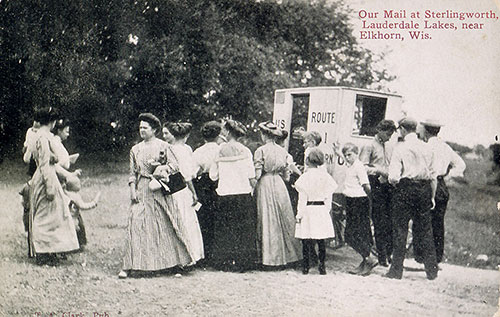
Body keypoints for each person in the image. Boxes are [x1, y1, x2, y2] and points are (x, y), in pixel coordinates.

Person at [119, 113, 197, 278]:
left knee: (165, 223)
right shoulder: (136, 149)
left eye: (145, 128)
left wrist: (162, 169)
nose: (142, 130)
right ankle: (130, 265)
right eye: (140, 127)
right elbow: (132, 173)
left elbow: (175, 165)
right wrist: (132, 190)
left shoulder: (164, 146)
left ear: (154, 130)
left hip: (160, 188)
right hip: (142, 188)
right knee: (136, 224)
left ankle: (175, 263)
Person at [385, 117, 438, 280]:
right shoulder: (428, 148)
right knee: (426, 230)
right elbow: (433, 175)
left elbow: (393, 176)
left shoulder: (400, 148)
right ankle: (432, 271)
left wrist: (396, 184)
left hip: (405, 188)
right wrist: (432, 197)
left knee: (400, 229)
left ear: (402, 129)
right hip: (424, 189)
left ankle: (396, 271)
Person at [28, 107, 80, 265]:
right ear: (51, 122)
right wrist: (49, 186)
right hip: (46, 178)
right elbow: (44, 164)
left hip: (46, 175)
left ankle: (50, 249)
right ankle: (43, 253)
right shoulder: (43, 138)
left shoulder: (39, 136)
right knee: (46, 215)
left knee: (53, 214)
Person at [413, 119, 466, 265]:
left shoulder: (424, 147)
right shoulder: (446, 148)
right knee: (437, 223)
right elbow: (461, 165)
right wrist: (447, 177)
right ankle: (435, 259)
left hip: (426, 184)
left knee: (421, 221)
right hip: (441, 185)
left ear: (425, 131)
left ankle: (421, 257)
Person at [209, 119, 258, 272]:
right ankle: (243, 262)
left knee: (225, 229)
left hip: (225, 194)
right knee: (242, 230)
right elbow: (251, 176)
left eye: (224, 130)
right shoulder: (246, 151)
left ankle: (224, 262)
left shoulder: (219, 150)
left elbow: (213, 176)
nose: (222, 132)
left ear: (229, 132)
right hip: (243, 194)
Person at [254, 122, 302, 267]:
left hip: (265, 182)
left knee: (267, 218)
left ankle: (269, 258)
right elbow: (287, 177)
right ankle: (291, 256)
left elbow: (257, 174)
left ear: (264, 135)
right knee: (284, 217)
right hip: (279, 184)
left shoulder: (260, 151)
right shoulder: (283, 152)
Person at [359, 119, 397, 267]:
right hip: (375, 185)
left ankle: (388, 253)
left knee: (389, 222)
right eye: (388, 134)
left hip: (388, 185)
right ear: (380, 130)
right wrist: (378, 171)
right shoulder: (369, 145)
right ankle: (381, 256)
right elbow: (362, 167)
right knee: (379, 221)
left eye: (391, 134)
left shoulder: (389, 146)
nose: (389, 137)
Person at [294, 148, 336, 275]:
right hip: (321, 209)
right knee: (321, 240)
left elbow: (302, 198)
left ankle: (306, 266)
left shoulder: (305, 178)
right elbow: (329, 196)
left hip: (308, 209)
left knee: (306, 239)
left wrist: (299, 214)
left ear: (307, 161)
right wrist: (326, 209)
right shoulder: (326, 177)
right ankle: (322, 266)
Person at [167, 122, 204, 264]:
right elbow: (188, 175)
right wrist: (194, 193)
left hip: (172, 187)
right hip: (183, 187)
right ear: (186, 136)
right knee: (186, 219)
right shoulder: (186, 149)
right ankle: (190, 256)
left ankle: (178, 257)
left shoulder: (169, 148)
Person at [340, 143, 377, 276]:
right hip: (351, 200)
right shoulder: (351, 165)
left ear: (356, 154)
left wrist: (369, 201)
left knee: (353, 234)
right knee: (352, 233)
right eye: (345, 155)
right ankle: (365, 260)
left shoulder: (359, 166)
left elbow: (366, 185)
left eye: (349, 155)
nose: (347, 157)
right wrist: (339, 152)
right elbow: (346, 160)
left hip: (359, 201)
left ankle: (369, 258)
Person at [192, 121, 221, 263]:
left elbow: (193, 172)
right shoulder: (221, 149)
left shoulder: (198, 151)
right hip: (219, 183)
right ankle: (214, 255)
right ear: (218, 135)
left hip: (203, 184)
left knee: (203, 217)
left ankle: (204, 254)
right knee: (217, 217)